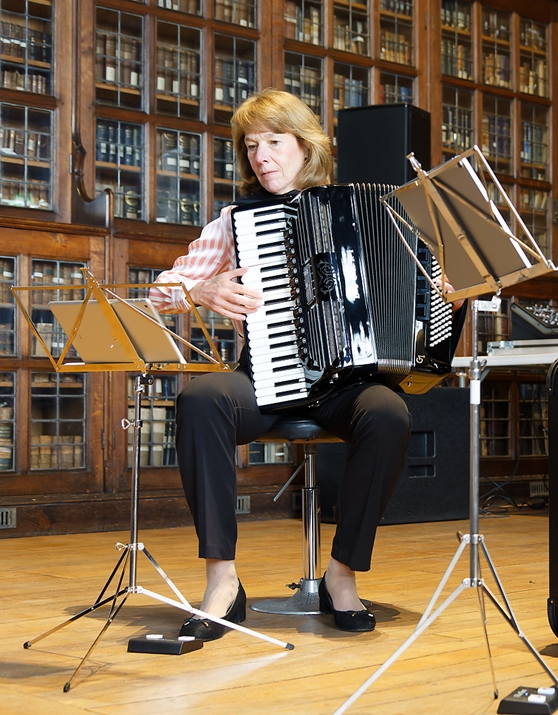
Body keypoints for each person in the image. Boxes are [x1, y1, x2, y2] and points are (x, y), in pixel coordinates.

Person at [150, 89, 410, 638]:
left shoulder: (376, 213)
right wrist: (201, 288)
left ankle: (342, 574)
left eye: (274, 141)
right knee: (200, 399)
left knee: (388, 414)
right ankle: (222, 580)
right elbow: (161, 291)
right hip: (264, 376)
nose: (261, 156)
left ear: (305, 146)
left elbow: (421, 294)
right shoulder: (235, 221)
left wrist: (440, 295)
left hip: (346, 384)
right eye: (251, 146)